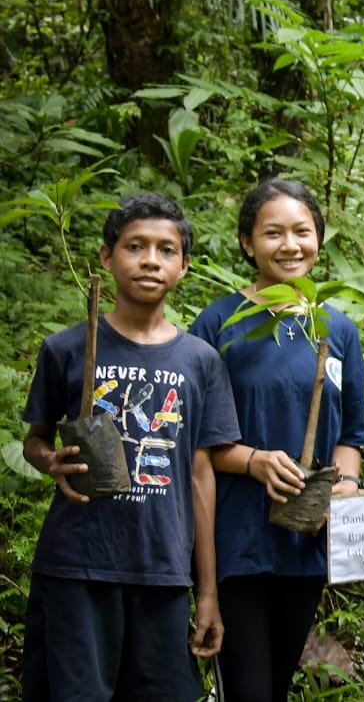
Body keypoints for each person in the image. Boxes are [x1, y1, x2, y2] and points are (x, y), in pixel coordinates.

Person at [21, 192, 239, 700]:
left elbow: (201, 474)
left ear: (184, 265)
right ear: (106, 257)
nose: (150, 260)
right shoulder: (67, 348)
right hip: (77, 563)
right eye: (135, 246)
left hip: (162, 568)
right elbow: (36, 441)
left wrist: (206, 592)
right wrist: (50, 461)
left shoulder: (200, 361)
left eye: (166, 250)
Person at [190, 179, 364, 702]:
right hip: (237, 540)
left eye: (302, 231)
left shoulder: (338, 328)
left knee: (278, 683)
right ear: (248, 243)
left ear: (319, 238)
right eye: (273, 233)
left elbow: (352, 434)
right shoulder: (218, 323)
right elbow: (197, 442)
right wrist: (255, 462)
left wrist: (349, 480)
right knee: (248, 690)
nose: (290, 245)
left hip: (306, 541)